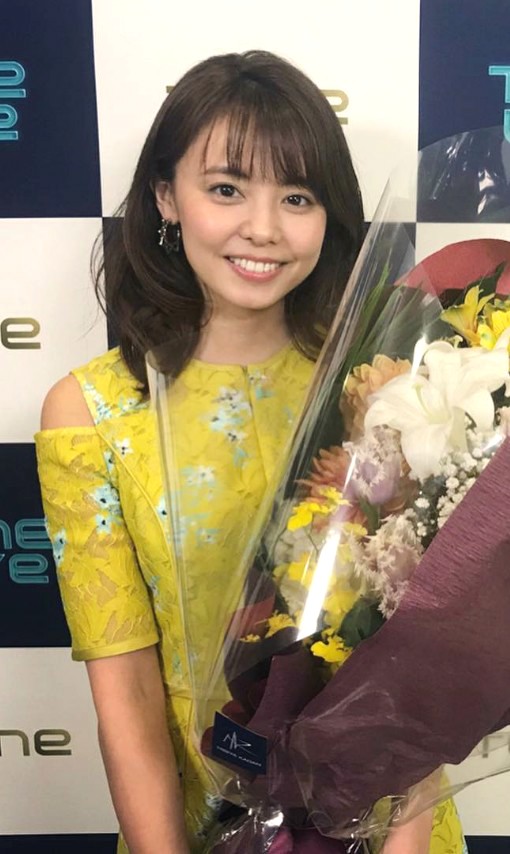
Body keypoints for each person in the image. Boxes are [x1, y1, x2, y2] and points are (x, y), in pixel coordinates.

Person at [35, 51, 465, 854]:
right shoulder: (91, 414)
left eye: (297, 197)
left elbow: (417, 660)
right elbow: (127, 694)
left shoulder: (385, 387)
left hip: (392, 820)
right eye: (227, 189)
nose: (263, 228)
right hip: (200, 818)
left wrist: (403, 843)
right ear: (166, 197)